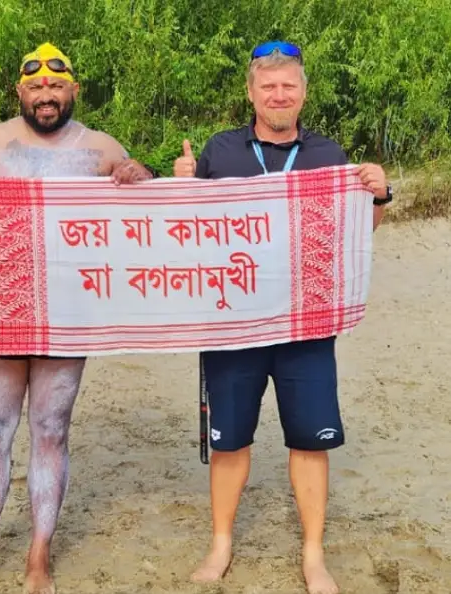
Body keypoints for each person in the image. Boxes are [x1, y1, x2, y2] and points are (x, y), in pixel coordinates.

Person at [0, 42, 156, 594]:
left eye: (57, 86)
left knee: (51, 431)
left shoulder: (99, 147)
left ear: (73, 90)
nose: (46, 95)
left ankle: (39, 558)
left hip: (69, 312)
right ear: (20, 92)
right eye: (36, 87)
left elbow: (141, 189)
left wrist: (141, 173)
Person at [174, 40, 391, 594]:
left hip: (306, 326)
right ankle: (220, 545)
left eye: (288, 86)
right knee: (229, 443)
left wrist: (378, 196)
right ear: (251, 93)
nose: (278, 95)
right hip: (232, 325)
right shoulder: (219, 152)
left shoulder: (329, 154)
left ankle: (314, 555)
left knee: (309, 441)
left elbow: (353, 238)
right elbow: (184, 235)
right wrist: (179, 189)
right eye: (267, 86)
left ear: (303, 94)